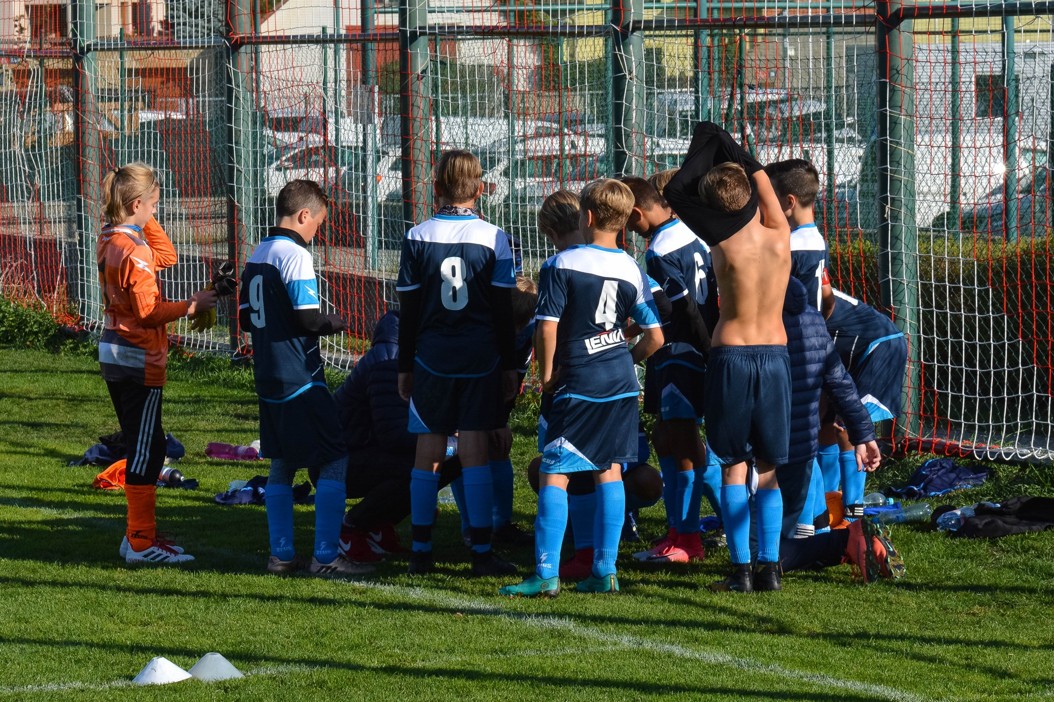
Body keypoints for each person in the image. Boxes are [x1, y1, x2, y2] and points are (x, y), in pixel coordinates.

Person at [500, 178, 664, 598]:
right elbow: (655, 336)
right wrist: (624, 359)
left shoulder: (561, 264)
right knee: (609, 470)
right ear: (624, 221)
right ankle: (605, 570)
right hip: (621, 385)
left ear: (586, 217)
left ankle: (546, 573)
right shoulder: (631, 267)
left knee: (555, 471)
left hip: (578, 382)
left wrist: (546, 377)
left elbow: (547, 328)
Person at [665, 122, 792, 593]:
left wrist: (708, 142)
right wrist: (728, 144)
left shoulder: (721, 239)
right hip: (775, 354)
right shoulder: (780, 232)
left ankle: (741, 571)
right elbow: (760, 179)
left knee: (734, 464)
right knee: (769, 468)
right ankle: (770, 569)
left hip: (732, 355)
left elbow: (675, 191)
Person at [238, 179, 373, 577]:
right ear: (302, 215)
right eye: (318, 223)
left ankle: (281, 555)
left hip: (268, 375)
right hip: (300, 376)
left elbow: (245, 319)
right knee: (335, 456)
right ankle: (326, 557)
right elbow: (308, 320)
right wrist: (339, 322)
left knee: (282, 462)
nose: (317, 231)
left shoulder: (258, 252)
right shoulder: (295, 254)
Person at [396, 149, 518, 577]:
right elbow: (503, 311)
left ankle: (420, 552)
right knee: (474, 449)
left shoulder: (417, 236)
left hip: (432, 357)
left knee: (428, 448)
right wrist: (509, 366)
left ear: (436, 187)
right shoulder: (495, 237)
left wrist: (405, 365)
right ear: (480, 189)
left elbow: (408, 311)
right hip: (480, 357)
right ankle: (481, 553)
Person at [98, 163, 217, 564]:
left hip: (116, 351)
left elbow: (167, 254)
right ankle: (140, 540)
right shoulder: (133, 249)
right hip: (138, 357)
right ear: (136, 204)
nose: (155, 212)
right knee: (147, 449)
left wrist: (139, 214)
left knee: (147, 444)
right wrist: (191, 305)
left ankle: (138, 535)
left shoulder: (111, 236)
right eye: (152, 205)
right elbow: (148, 312)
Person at [622, 175, 718, 565]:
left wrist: (708, 351)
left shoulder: (659, 252)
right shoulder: (693, 235)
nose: (630, 230)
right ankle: (679, 529)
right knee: (666, 436)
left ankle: (689, 538)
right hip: (684, 351)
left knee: (684, 444)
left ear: (637, 213)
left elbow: (683, 309)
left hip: (683, 353)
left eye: (629, 222)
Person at [323, 310, 463, 563]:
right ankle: (352, 526)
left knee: (448, 459)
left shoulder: (404, 356)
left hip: (361, 450)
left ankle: (378, 526)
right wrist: (451, 442)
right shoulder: (389, 361)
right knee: (425, 463)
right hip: (339, 460)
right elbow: (393, 435)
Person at [773, 277, 881, 551]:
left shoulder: (767, 316)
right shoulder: (812, 319)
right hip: (804, 408)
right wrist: (864, 433)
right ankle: (827, 525)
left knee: (759, 468)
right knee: (814, 436)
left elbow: (827, 298)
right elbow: (839, 382)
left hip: (865, 347)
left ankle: (844, 523)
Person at [817, 288, 908, 517]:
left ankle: (852, 512)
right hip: (845, 349)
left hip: (877, 346)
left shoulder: (796, 288)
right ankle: (827, 506)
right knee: (823, 422)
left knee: (845, 426)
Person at [764, 159, 834, 317]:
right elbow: (829, 301)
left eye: (771, 196)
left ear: (789, 201)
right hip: (815, 327)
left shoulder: (788, 246)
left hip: (791, 328)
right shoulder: (820, 243)